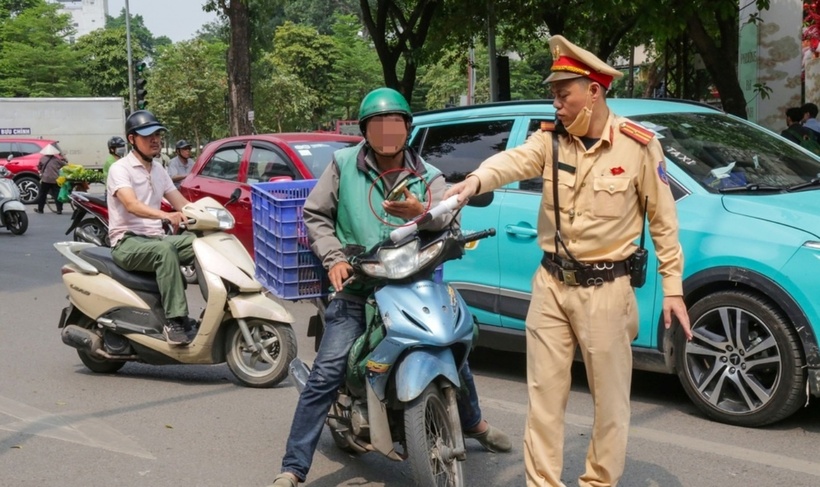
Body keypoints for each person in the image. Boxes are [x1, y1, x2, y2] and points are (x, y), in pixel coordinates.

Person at [445, 36, 692, 487]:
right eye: (554, 96)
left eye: (564, 95)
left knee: (611, 402)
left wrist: (672, 287)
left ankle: (598, 481)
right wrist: (471, 182)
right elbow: (510, 162)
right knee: (544, 399)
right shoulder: (550, 142)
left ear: (593, 91)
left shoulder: (638, 147)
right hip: (551, 286)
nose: (556, 104)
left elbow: (663, 222)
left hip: (607, 289)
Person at [269, 87, 511, 487]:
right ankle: (293, 467)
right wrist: (335, 258)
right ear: (365, 131)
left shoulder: (428, 176)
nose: (386, 133)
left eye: (394, 125)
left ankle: (475, 423)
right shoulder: (343, 165)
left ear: (407, 129)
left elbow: (448, 223)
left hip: (413, 283)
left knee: (455, 347)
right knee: (326, 372)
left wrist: (423, 214)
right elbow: (316, 215)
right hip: (358, 286)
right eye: (378, 125)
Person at [107, 110, 196, 346]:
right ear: (131, 139)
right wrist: (166, 216)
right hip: (127, 242)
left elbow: (181, 203)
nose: (155, 139)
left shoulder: (159, 170)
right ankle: (175, 320)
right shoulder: (120, 169)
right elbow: (131, 205)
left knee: (201, 244)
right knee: (165, 252)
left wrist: (207, 215)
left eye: (157, 134)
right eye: (147, 136)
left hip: (155, 239)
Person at [34, 143, 67, 214]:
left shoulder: (42, 159)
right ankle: (59, 210)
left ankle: (40, 209)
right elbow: (64, 165)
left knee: (42, 194)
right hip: (55, 179)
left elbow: (39, 167)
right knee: (57, 195)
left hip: (45, 179)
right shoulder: (57, 160)